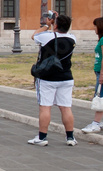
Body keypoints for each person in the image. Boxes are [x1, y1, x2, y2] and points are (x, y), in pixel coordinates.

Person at [28, 12, 77, 146]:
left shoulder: (47, 37)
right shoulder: (73, 38)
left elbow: (34, 36)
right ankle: (70, 137)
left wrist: (46, 25)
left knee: (45, 107)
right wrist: (57, 22)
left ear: (55, 25)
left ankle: (42, 137)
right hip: (66, 77)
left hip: (47, 78)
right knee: (66, 107)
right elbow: (64, 30)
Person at [82, 16, 103, 133]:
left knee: (100, 97)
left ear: (100, 26)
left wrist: (102, 74)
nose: (94, 28)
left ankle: (95, 123)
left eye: (95, 26)